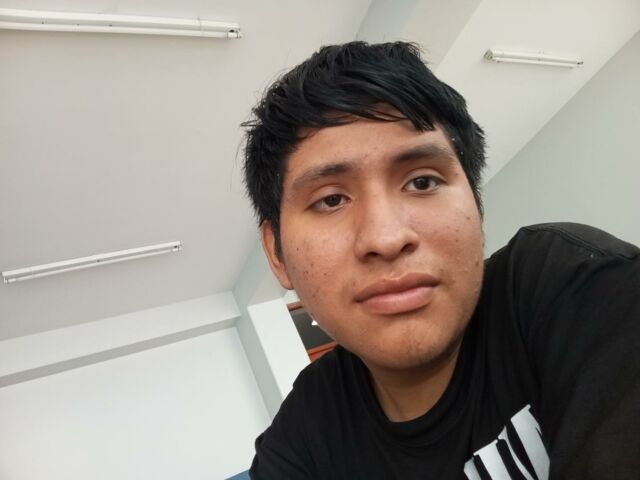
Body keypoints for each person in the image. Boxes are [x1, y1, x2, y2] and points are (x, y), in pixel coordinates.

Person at [241, 41, 640, 479]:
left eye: (422, 182)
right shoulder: (305, 435)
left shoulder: (571, 285)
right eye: (331, 199)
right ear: (276, 253)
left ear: (476, 202)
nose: (386, 238)